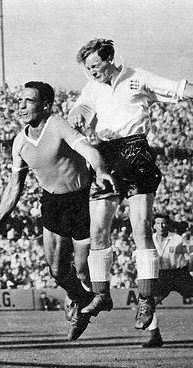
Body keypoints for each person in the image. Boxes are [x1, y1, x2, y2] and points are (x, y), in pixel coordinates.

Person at [68, 38, 193, 330]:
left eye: (96, 65)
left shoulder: (138, 78)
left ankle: (147, 299)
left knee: (142, 227)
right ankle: (101, 294)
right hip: (105, 156)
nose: (93, 72)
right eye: (88, 68)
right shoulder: (92, 87)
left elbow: (178, 89)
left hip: (135, 152)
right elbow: (81, 109)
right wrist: (77, 115)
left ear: (110, 57)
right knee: (98, 229)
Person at [0, 81, 116, 340]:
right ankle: (82, 301)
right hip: (52, 203)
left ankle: (84, 301)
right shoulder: (19, 142)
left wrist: (100, 170)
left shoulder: (58, 124)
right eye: (21, 100)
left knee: (82, 270)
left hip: (79, 201)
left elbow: (88, 149)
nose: (21, 105)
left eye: (29, 100)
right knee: (56, 271)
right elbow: (13, 186)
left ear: (45, 104)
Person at [141, 214, 193, 347]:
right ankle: (155, 337)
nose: (161, 226)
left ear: (168, 225)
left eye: (164, 223)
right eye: (158, 223)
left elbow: (190, 252)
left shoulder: (177, 239)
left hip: (180, 274)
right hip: (162, 276)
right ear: (154, 226)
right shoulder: (149, 239)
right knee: (148, 304)